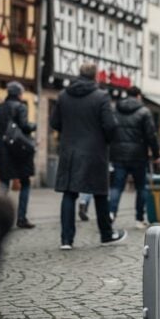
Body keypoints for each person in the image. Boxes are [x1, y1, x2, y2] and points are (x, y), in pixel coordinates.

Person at [50, 62, 126, 250]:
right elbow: (110, 125)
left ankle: (66, 240)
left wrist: (69, 132)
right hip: (94, 151)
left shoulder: (63, 95)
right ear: (96, 76)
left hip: (69, 150)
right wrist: (107, 140)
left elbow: (54, 122)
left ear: (79, 74)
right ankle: (106, 235)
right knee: (99, 193)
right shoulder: (101, 96)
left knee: (69, 194)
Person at [108, 86, 160, 226]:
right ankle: (139, 218)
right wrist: (156, 154)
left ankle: (111, 213)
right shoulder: (144, 112)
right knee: (141, 187)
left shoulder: (115, 109)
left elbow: (109, 129)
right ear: (138, 96)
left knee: (116, 187)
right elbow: (151, 135)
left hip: (118, 154)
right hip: (138, 155)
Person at [0, 81, 37, 228]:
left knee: (4, 183)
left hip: (2, 153)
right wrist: (34, 126)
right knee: (25, 183)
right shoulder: (21, 107)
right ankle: (21, 218)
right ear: (19, 94)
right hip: (19, 153)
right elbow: (24, 126)